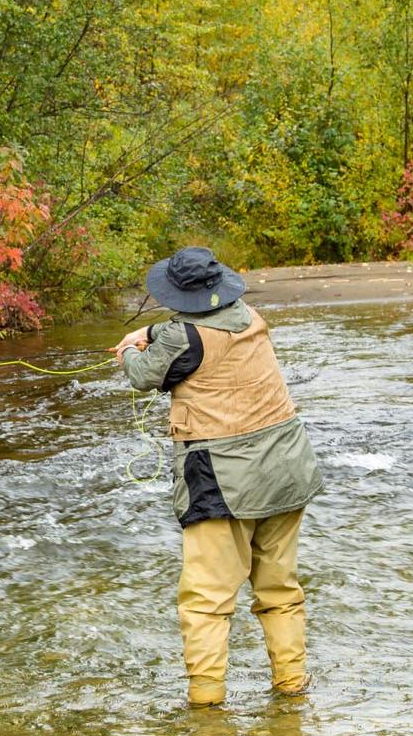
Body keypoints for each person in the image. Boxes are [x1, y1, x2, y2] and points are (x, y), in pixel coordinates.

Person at [111, 246, 322, 708]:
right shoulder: (248, 314)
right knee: (280, 590)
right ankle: (291, 691)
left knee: (205, 600)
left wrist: (128, 349)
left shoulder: (182, 339)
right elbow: (187, 332)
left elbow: (145, 375)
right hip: (287, 468)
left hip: (223, 478)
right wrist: (148, 330)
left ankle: (206, 713)